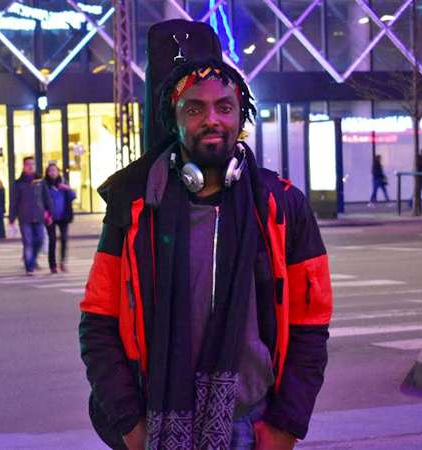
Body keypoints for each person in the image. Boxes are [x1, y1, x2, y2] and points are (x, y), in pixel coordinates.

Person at [79, 20, 331, 450]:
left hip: (250, 428)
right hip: (154, 424)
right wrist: (130, 425)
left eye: (224, 107)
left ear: (241, 115)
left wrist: (286, 426)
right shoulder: (135, 208)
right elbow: (98, 324)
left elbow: (310, 325)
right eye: (194, 109)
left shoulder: (283, 206)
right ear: (173, 121)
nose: (210, 120)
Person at [9, 157, 52, 276]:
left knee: (39, 240)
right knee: (28, 243)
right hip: (25, 217)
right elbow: (14, 202)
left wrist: (49, 213)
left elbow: (46, 198)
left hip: (39, 216)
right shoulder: (18, 183)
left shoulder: (40, 181)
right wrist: (12, 219)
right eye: (28, 164)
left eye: (32, 164)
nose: (30, 166)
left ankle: (31, 260)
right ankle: (29, 267)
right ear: (23, 166)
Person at [43, 163, 76, 273]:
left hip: (63, 216)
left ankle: (62, 262)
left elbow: (73, 196)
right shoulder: (44, 184)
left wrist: (67, 188)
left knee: (64, 239)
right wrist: (45, 213)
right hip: (50, 217)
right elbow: (41, 200)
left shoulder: (63, 182)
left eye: (55, 170)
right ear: (47, 173)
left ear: (58, 172)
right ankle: (52, 265)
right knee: (52, 240)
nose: (53, 172)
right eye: (50, 170)